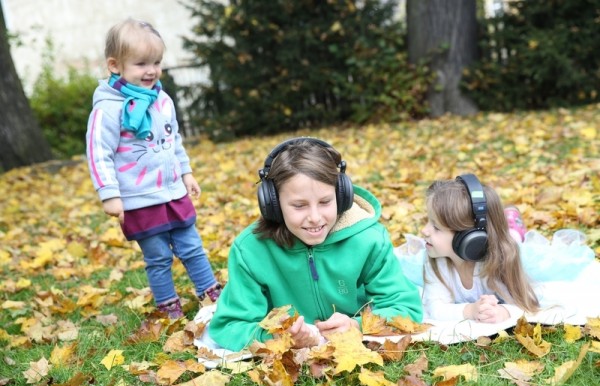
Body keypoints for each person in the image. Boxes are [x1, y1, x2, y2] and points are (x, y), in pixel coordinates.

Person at [208, 138, 423, 351]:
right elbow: (229, 325)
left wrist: (357, 326)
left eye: (325, 202)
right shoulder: (250, 251)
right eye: (299, 205)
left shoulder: (370, 239)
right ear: (272, 204)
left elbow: (406, 307)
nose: (315, 217)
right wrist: (279, 337)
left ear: (342, 195)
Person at [85, 18, 220, 319]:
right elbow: (98, 154)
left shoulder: (162, 99)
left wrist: (186, 173)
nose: (151, 70)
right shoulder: (107, 109)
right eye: (141, 63)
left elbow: (174, 140)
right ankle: (168, 304)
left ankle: (210, 291)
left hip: (172, 192)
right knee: (158, 257)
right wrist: (110, 194)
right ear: (115, 65)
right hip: (139, 197)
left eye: (156, 62)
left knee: (192, 246)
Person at [419, 174, 540, 324]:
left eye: (436, 227)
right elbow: (435, 309)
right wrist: (470, 310)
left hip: (506, 245)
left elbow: (528, 304)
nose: (424, 231)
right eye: (428, 221)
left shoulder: (501, 258)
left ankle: (513, 226)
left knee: (513, 240)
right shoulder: (434, 258)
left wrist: (503, 312)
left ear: (470, 238)